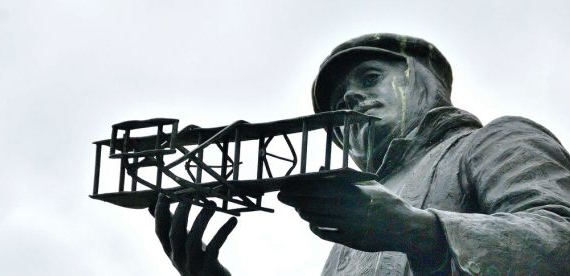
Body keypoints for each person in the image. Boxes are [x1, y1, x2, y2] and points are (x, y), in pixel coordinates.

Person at [151, 33, 570, 275]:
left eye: (370, 78)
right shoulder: (356, 220)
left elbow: (561, 240)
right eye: (338, 100)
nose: (351, 97)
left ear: (422, 83)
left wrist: (416, 230)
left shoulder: (490, 142)